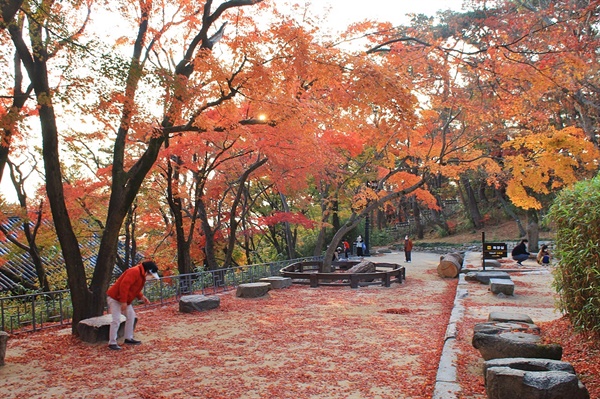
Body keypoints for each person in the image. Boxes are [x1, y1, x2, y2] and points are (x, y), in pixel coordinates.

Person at [106, 260, 160, 350]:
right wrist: (123, 301)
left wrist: (142, 296)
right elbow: (124, 286)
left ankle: (128, 338)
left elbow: (134, 288)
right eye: (151, 275)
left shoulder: (141, 274)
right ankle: (112, 342)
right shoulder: (134, 271)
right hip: (115, 298)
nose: (151, 277)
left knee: (131, 316)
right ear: (148, 271)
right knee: (116, 320)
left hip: (124, 299)